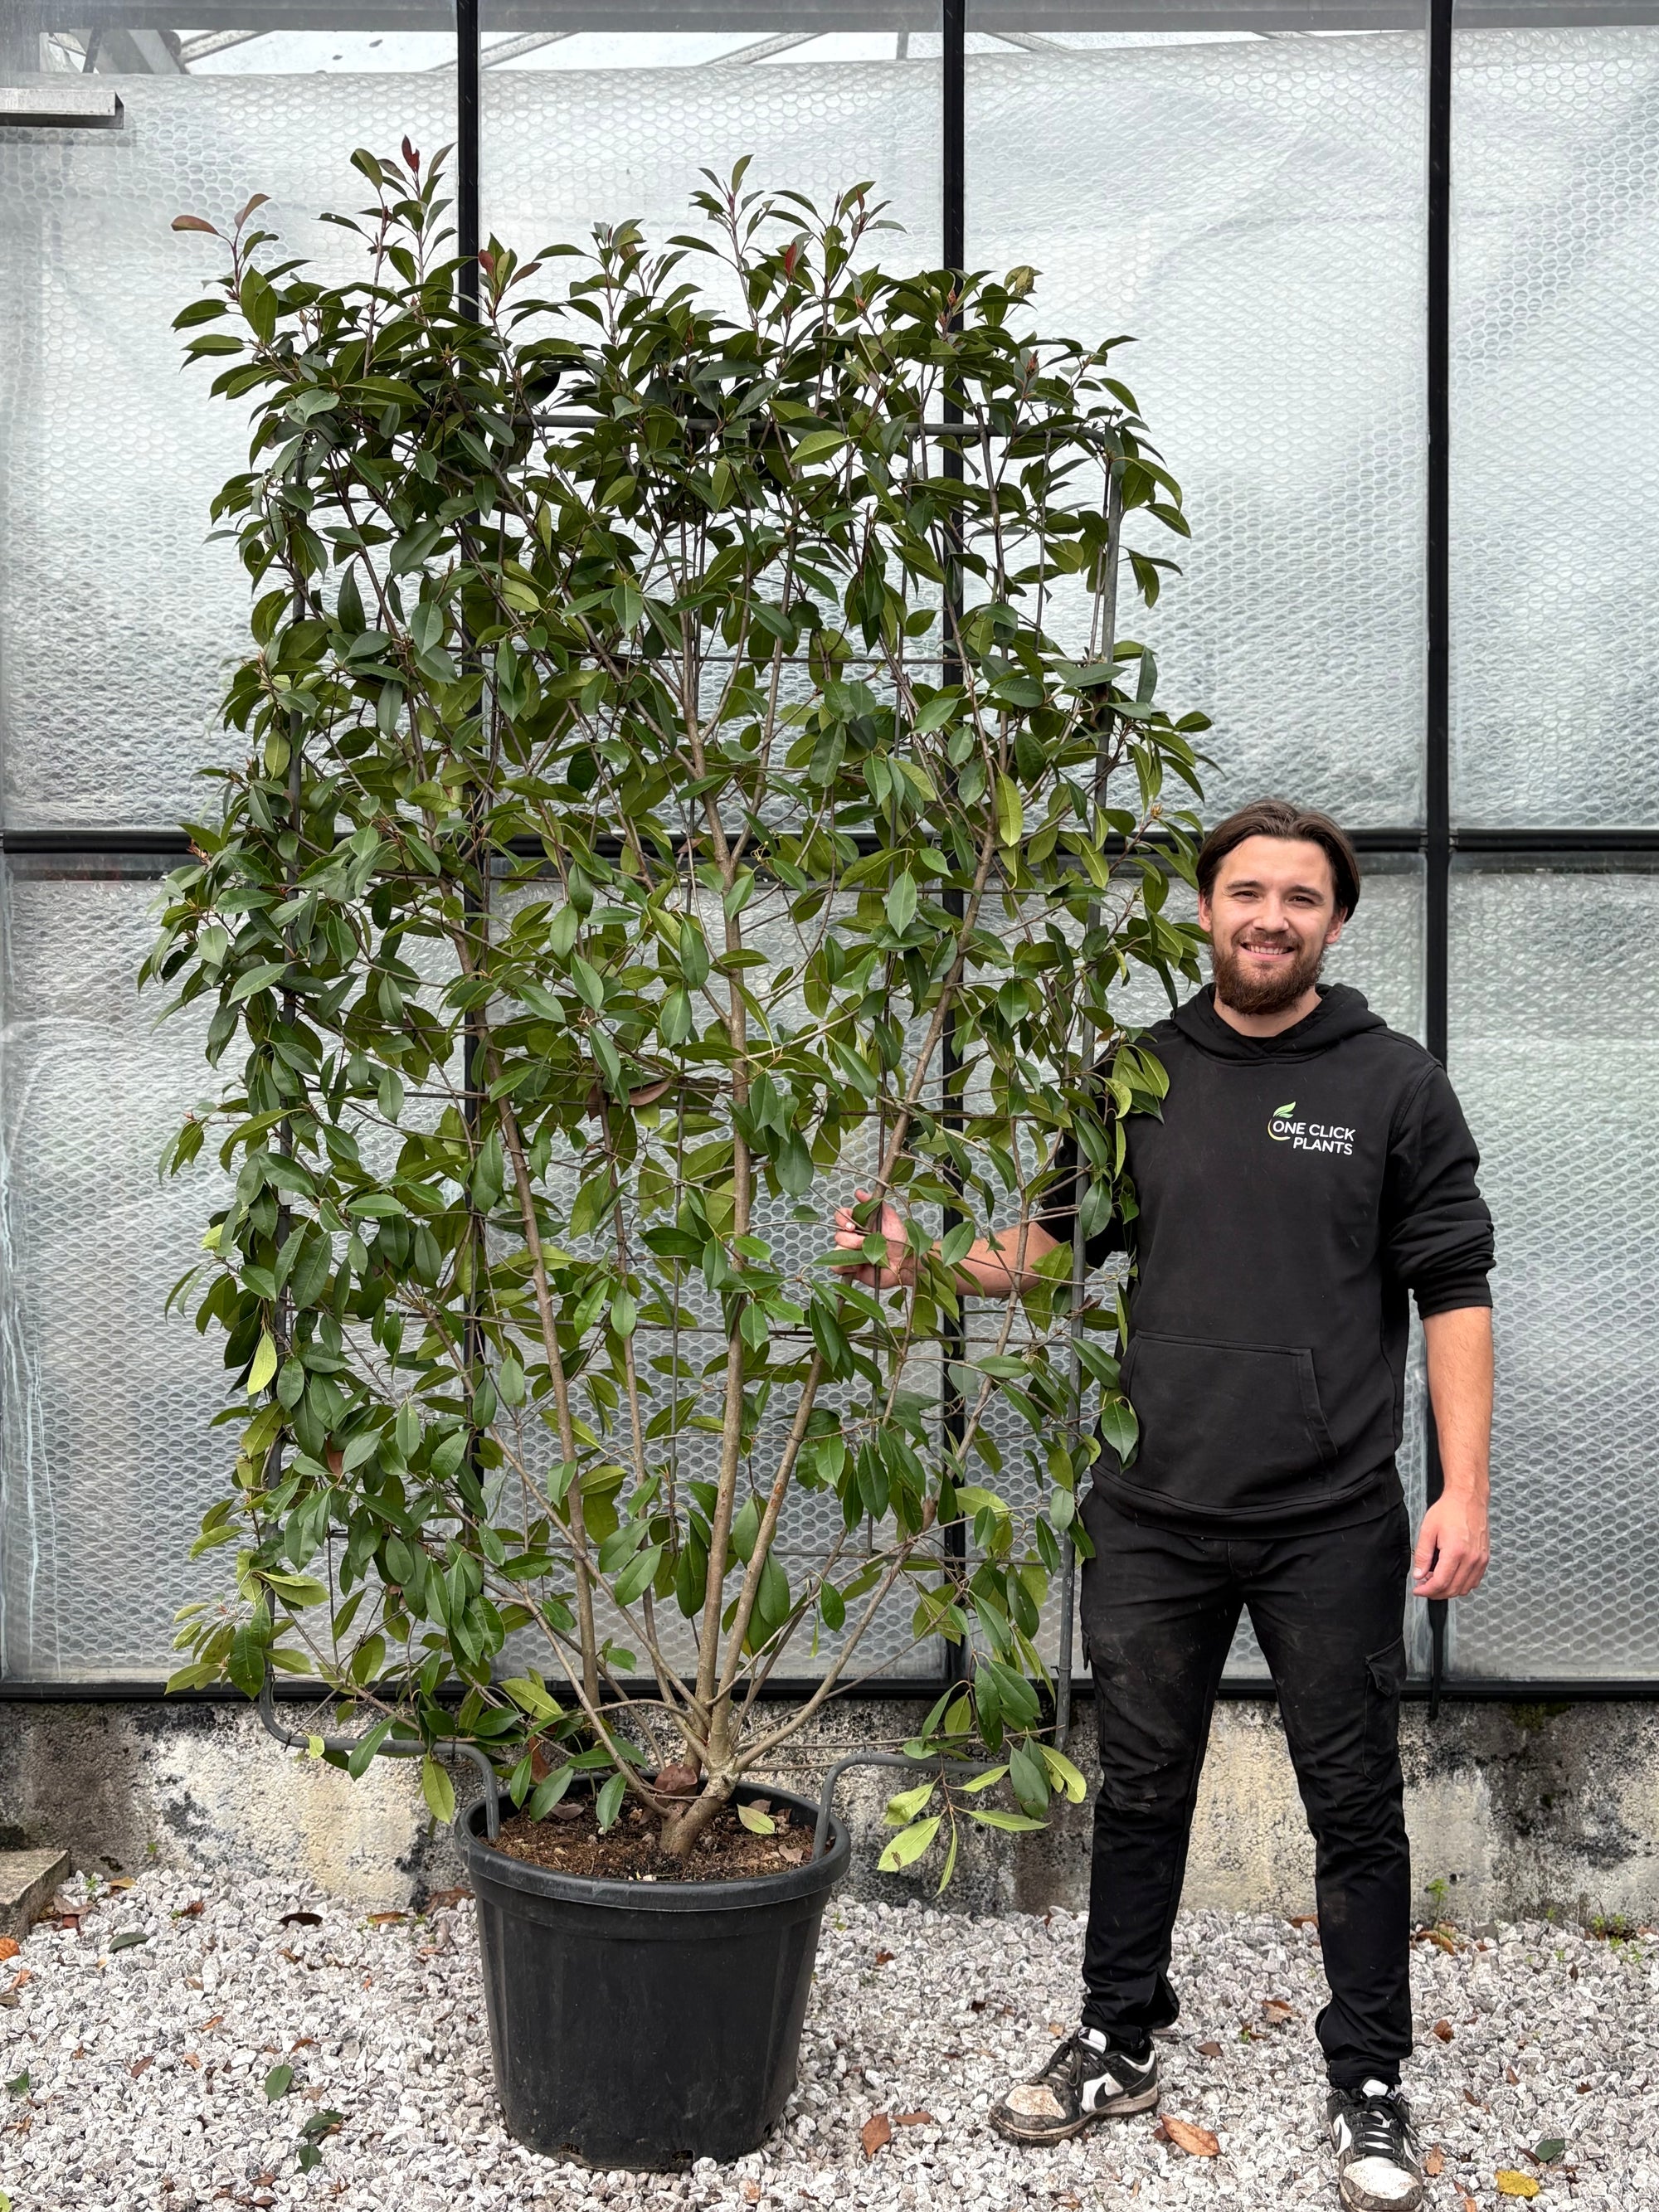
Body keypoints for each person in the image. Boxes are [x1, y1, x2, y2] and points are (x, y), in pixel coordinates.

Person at [834, 797, 1493, 2212]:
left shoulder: (1396, 1085)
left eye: (1299, 898)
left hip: (1331, 1516)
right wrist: (923, 1263)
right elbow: (1054, 1248)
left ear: (1334, 920)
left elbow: (1456, 1291)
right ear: (1204, 910)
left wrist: (1462, 1488)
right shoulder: (1135, 1075)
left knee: (1355, 1806)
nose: (1269, 917)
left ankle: (1370, 2080)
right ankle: (1117, 2040)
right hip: (1154, 1505)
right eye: (1245, 892)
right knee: (1141, 1790)